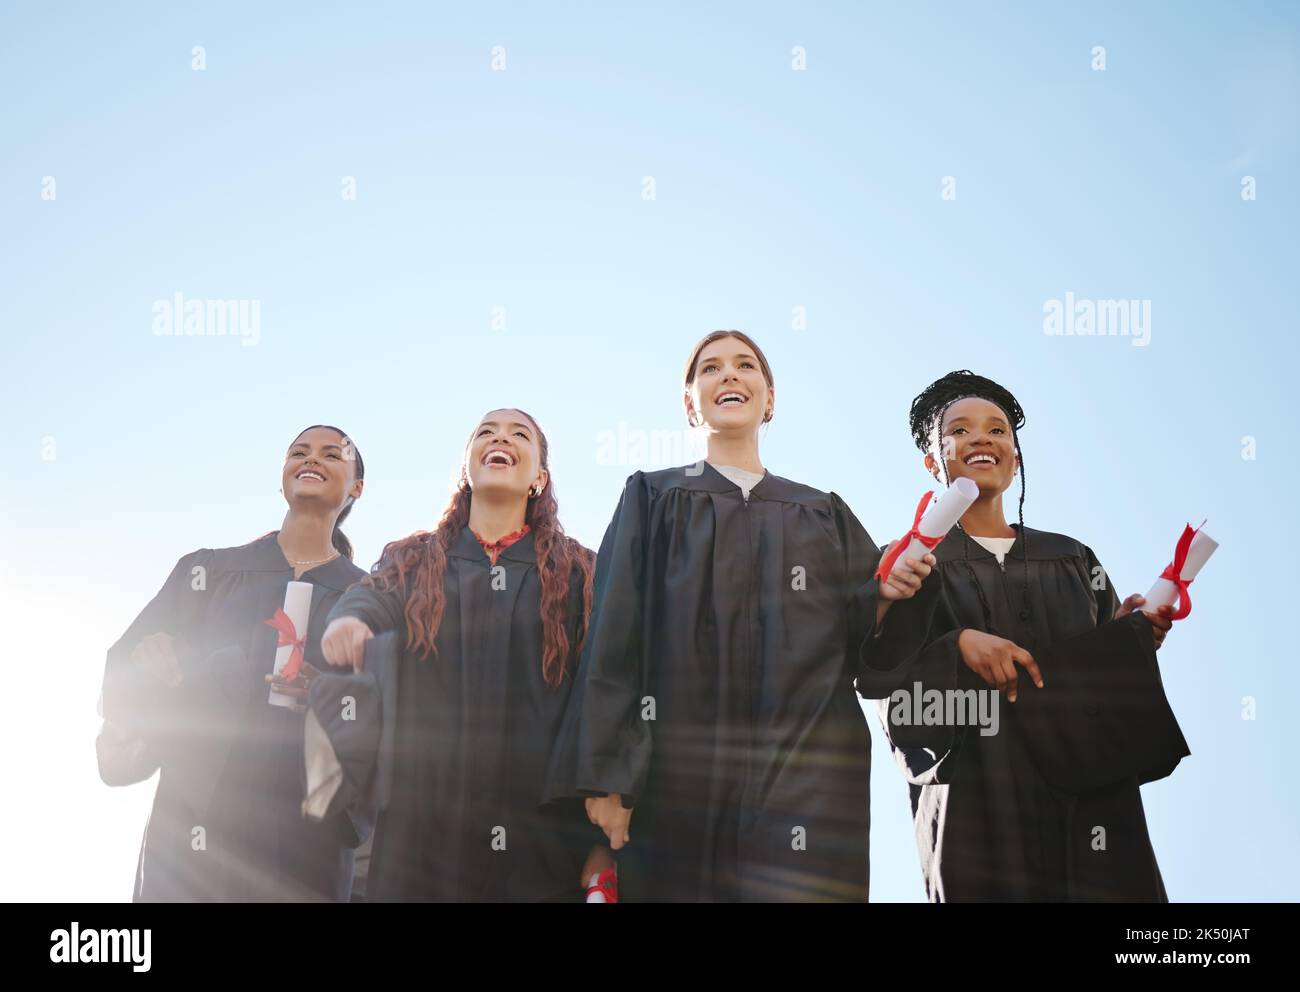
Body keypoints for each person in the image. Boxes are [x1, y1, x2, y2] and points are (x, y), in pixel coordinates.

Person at [98, 425, 370, 901]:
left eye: (332, 454)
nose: (312, 459)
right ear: (282, 474)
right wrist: (157, 667)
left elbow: (398, 715)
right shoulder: (207, 572)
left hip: (306, 840)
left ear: (357, 487)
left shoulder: (372, 601)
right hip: (193, 826)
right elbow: (122, 681)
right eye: (299, 452)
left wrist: (329, 697)